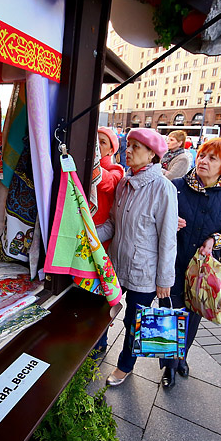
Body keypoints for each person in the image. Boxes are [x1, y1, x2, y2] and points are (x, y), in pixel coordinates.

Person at [97, 128, 177, 388]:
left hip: (144, 271)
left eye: (136, 147)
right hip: (116, 264)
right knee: (102, 310)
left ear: (152, 154)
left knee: (134, 321)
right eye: (128, 144)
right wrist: (89, 235)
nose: (128, 150)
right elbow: (113, 224)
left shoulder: (163, 188)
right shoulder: (124, 182)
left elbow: (167, 238)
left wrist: (164, 279)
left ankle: (125, 366)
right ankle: (97, 348)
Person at [165, 138, 221, 388]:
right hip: (173, 264)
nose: (203, 161)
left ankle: (182, 357)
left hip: (203, 269)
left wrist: (215, 239)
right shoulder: (176, 186)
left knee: (191, 317)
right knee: (171, 316)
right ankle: (169, 366)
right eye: (202, 155)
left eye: (212, 158)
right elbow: (156, 217)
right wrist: (168, 221)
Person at [91, 127, 125, 355]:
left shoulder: (116, 170)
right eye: (96, 140)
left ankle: (100, 341)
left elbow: (105, 183)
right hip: (82, 237)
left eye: (103, 142)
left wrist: (90, 160)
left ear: (112, 149)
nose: (98, 145)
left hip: (101, 242)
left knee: (99, 293)